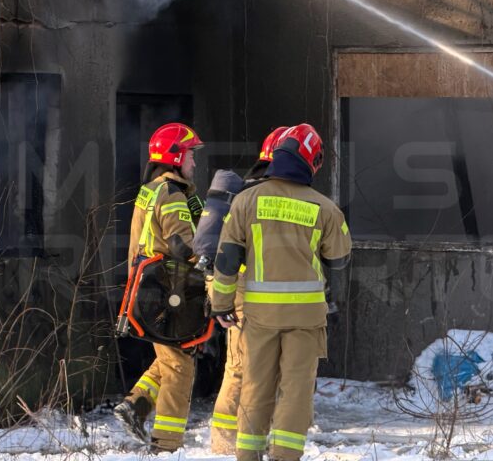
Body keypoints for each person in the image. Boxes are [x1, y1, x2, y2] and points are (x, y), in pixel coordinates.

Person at [211, 123, 352, 461]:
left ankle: (248, 456)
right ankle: (286, 456)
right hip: (305, 318)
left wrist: (221, 305)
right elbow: (340, 260)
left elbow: (227, 261)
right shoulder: (326, 209)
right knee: (296, 390)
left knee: (256, 387)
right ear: (311, 162)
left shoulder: (245, 201)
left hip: (260, 316)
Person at [195, 128, 288, 454]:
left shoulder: (246, 190)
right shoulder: (267, 195)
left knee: (243, 367)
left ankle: (239, 440)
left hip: (235, 288)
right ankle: (226, 444)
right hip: (248, 292)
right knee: (244, 369)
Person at [114, 122, 203, 451]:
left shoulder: (153, 188)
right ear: (176, 156)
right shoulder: (170, 193)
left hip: (153, 292)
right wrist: (215, 268)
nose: (194, 162)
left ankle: (135, 404)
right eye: (191, 154)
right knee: (180, 365)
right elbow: (184, 246)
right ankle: (165, 445)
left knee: (171, 356)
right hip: (165, 295)